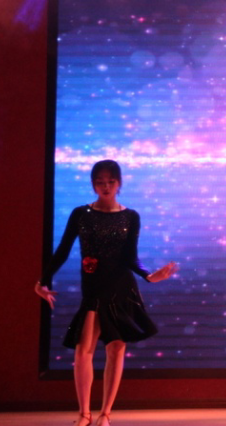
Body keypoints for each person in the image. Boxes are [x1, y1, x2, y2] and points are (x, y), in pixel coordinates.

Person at [35, 160, 179, 426]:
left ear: (119, 183)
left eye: (111, 181)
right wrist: (42, 281)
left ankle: (105, 414)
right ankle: (84, 414)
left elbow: (130, 258)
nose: (105, 186)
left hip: (121, 287)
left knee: (116, 348)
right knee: (83, 351)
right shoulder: (81, 214)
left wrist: (149, 276)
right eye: (100, 182)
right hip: (93, 286)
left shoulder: (131, 216)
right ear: (93, 184)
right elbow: (63, 249)